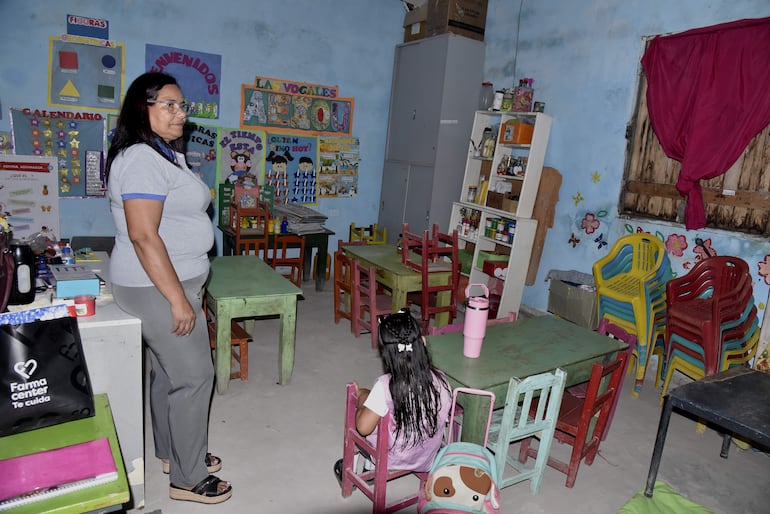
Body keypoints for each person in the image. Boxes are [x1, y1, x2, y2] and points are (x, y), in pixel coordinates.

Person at [105, 72, 231, 504]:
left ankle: (172, 454)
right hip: (158, 285)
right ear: (144, 108)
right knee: (196, 377)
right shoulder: (141, 157)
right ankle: (188, 477)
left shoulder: (163, 153)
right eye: (170, 105)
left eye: (183, 106)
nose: (182, 114)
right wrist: (178, 299)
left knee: (167, 373)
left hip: (172, 279)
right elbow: (143, 235)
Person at [334, 309, 452, 481]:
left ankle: (354, 471)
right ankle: (369, 467)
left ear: (387, 354)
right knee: (372, 401)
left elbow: (363, 428)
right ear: (423, 343)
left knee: (359, 412)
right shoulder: (441, 380)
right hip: (427, 456)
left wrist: (359, 403)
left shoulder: (385, 386)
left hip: (392, 458)